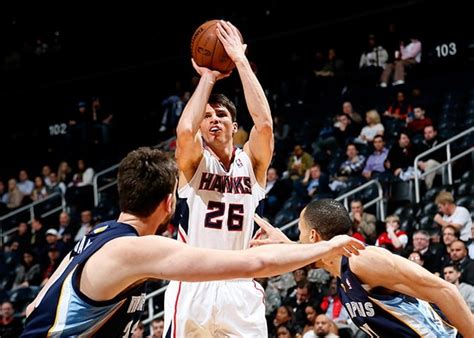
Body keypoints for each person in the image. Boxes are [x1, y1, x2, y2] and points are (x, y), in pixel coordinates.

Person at [21, 147, 363, 337]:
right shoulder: (139, 248)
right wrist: (323, 247)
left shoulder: (97, 233)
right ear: (170, 204)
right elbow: (255, 264)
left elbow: (34, 306)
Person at [164, 20, 275, 337]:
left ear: (234, 124)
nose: (213, 120)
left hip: (239, 285)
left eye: (221, 115)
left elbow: (264, 125)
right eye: (208, 117)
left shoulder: (251, 162)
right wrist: (208, 77)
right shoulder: (195, 162)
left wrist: (240, 61)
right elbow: (185, 130)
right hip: (194, 281)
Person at [252, 200, 474, 337]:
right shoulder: (335, 265)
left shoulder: (363, 259)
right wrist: (286, 245)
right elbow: (311, 256)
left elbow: (446, 290)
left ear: (313, 236)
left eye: (299, 233)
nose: (298, 240)